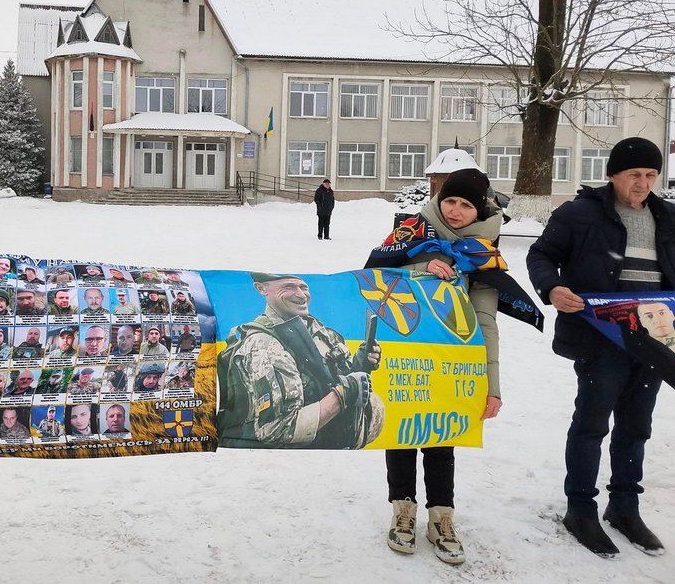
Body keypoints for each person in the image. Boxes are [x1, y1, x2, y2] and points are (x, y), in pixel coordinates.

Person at [527, 137, 672, 557]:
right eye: (634, 175)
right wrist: (552, 287)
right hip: (601, 338)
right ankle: (581, 509)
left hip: (654, 341)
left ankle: (624, 507)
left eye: (650, 175)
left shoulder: (669, 217)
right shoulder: (580, 214)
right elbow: (540, 255)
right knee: (592, 424)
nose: (643, 184)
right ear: (613, 175)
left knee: (636, 427)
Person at [370, 168, 502, 565]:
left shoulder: (484, 254)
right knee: (403, 433)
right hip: (403, 353)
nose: (456, 210)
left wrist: (491, 386)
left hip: (451, 362)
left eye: (466, 204)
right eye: (450, 201)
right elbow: (372, 278)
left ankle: (441, 517)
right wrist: (419, 270)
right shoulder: (410, 232)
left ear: (479, 209)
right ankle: (403, 511)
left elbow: (486, 322)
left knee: (441, 437)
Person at [216, 272, 383, 449]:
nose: (301, 295)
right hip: (290, 462)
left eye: (303, 287)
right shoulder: (263, 344)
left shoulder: (320, 331)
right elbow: (277, 429)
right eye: (288, 287)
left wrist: (360, 365)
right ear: (261, 288)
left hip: (333, 452)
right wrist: (342, 395)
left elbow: (330, 382)